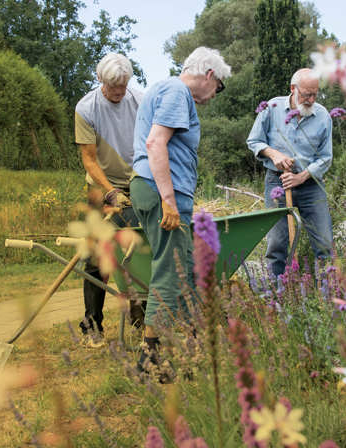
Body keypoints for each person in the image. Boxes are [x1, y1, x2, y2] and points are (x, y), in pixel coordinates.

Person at [129, 46, 230, 373]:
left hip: (158, 191)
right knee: (170, 269)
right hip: (161, 193)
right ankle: (150, 356)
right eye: (219, 87)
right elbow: (155, 143)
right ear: (210, 75)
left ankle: (190, 345)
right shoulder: (176, 91)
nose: (216, 95)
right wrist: (169, 202)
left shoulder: (166, 90)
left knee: (183, 265)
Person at [74, 53, 144, 343]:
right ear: (99, 79)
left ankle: (142, 321)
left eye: (123, 85)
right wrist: (110, 191)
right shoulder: (86, 108)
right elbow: (89, 160)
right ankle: (92, 326)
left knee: (138, 256)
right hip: (101, 188)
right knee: (95, 259)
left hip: (137, 185)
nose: (119, 92)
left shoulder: (140, 100)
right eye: (113, 86)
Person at [246, 68, 334, 278]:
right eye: (306, 94)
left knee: (324, 242)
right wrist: (273, 154)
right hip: (277, 183)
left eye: (315, 94)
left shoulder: (323, 116)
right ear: (293, 89)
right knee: (277, 243)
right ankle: (277, 294)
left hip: (311, 184)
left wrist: (302, 176)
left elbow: (326, 157)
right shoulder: (271, 108)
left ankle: (328, 294)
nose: (311, 99)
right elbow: (254, 141)